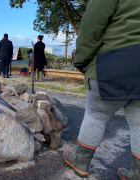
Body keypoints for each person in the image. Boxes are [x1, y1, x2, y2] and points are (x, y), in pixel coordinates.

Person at [63, 0, 140, 179]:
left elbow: (91, 27)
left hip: (112, 63)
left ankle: (80, 162)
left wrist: (82, 61)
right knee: (139, 122)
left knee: (96, 115)